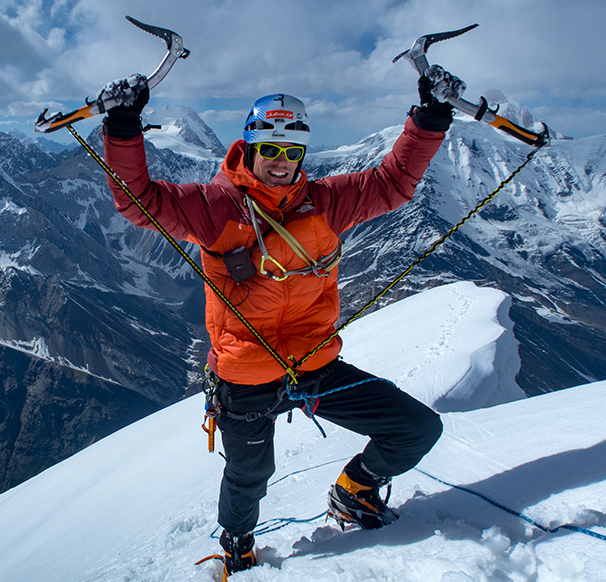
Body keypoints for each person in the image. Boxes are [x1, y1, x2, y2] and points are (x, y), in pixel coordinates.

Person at [99, 67, 464, 578]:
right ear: (248, 149)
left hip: (314, 366)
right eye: (270, 150)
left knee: (416, 428)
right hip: (246, 377)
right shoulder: (217, 207)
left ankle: (355, 488)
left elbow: (394, 183)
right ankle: (237, 543)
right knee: (250, 476)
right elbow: (140, 202)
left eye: (292, 153)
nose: (281, 163)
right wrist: (122, 129)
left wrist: (428, 118)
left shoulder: (326, 202)